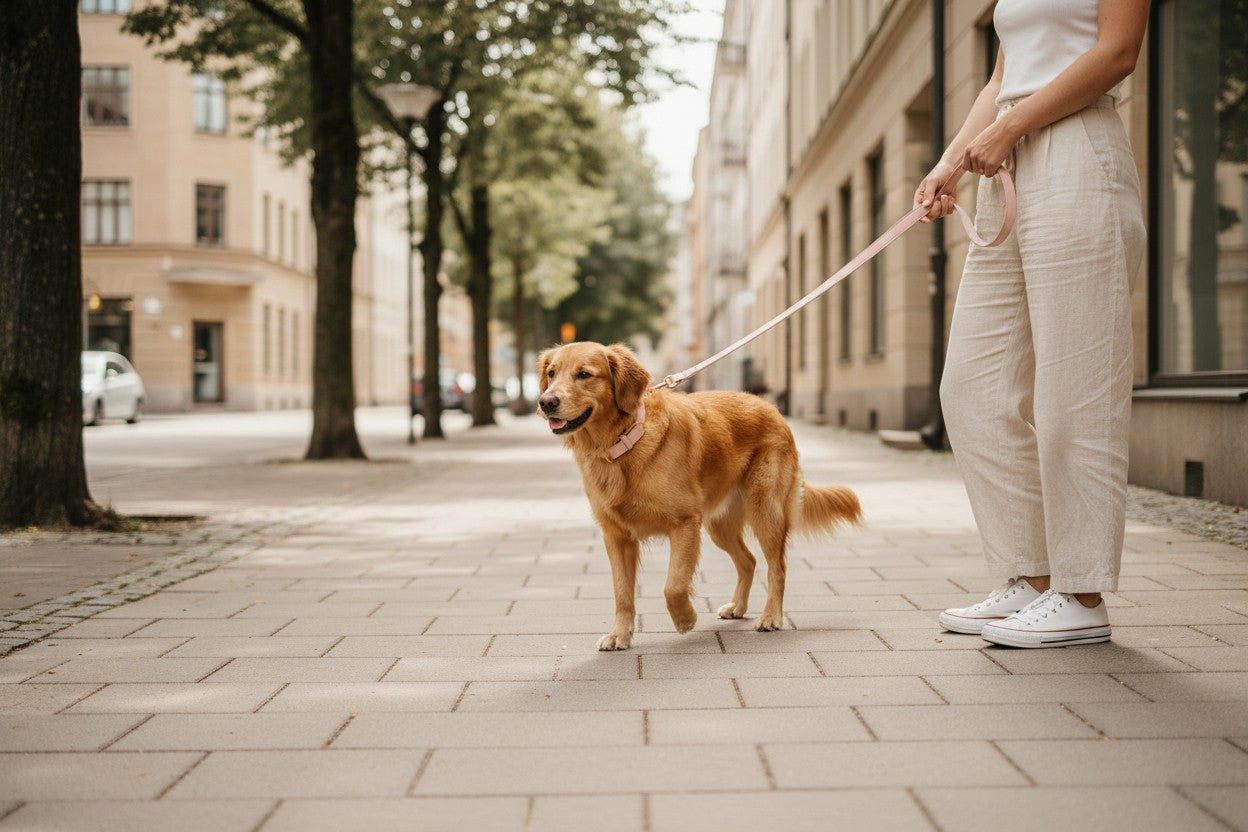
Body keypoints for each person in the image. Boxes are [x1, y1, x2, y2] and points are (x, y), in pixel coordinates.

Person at [915, 0, 1150, 648]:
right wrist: (952, 161)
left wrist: (1009, 127)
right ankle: (1033, 576)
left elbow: (1117, 54)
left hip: (1078, 155)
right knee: (971, 387)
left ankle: (1082, 593)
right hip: (1008, 166)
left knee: (1076, 393)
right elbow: (1000, 80)